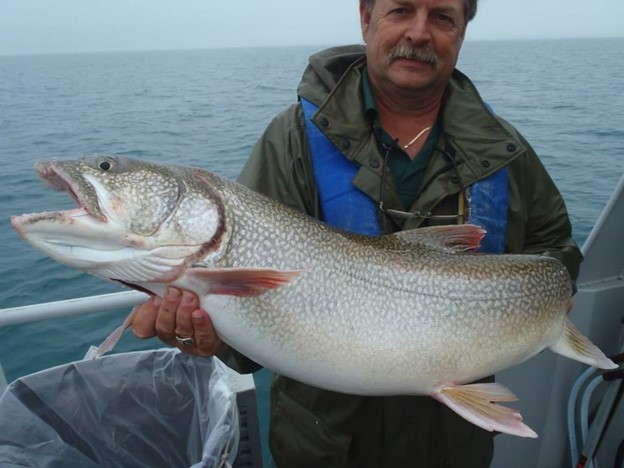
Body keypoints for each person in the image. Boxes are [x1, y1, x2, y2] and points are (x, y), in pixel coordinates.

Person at [132, 0, 582, 466]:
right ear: (366, 18)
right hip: (325, 445)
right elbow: (245, 312)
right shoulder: (291, 142)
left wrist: (551, 288)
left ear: (462, 32)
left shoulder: (503, 147)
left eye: (442, 17)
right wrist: (209, 335)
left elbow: (556, 242)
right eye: (401, 10)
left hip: (455, 446)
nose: (420, 33)